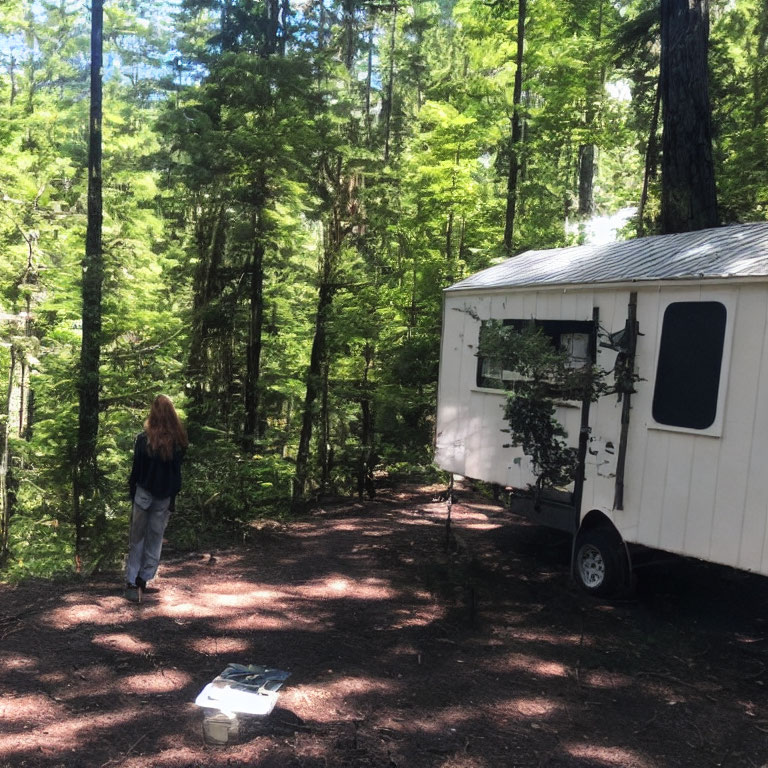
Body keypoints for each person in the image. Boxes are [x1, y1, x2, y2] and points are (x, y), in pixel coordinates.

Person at [124, 395, 188, 602]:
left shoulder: (143, 439)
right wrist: (173, 498)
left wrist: (132, 492)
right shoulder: (178, 442)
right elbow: (176, 474)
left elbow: (136, 470)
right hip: (164, 496)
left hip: (143, 494)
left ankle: (132, 582)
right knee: (155, 538)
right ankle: (144, 578)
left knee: (137, 538)